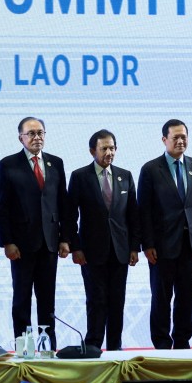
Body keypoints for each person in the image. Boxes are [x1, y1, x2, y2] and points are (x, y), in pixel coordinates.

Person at [137, 119, 192, 350]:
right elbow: (144, 210)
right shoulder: (150, 169)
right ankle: (160, 342)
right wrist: (146, 244)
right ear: (164, 140)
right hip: (161, 246)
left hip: (190, 245)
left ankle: (182, 341)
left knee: (186, 297)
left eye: (184, 137)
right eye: (175, 137)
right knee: (161, 298)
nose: (180, 141)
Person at [0, 117, 70, 341]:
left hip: (49, 243)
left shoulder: (55, 163)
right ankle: (24, 347)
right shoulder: (8, 164)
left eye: (40, 133)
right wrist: (7, 241)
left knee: (47, 299)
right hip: (21, 244)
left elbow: (63, 203)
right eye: (31, 133)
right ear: (21, 138)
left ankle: (49, 347)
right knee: (22, 299)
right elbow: (2, 206)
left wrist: (66, 239)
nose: (37, 137)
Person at [66, 129, 140, 351]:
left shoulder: (125, 175)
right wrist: (75, 248)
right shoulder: (80, 176)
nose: (109, 152)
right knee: (96, 301)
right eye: (104, 148)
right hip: (91, 251)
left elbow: (133, 215)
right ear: (92, 151)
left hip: (120, 250)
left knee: (117, 302)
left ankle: (115, 347)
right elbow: (71, 216)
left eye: (112, 148)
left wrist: (134, 247)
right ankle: (93, 346)